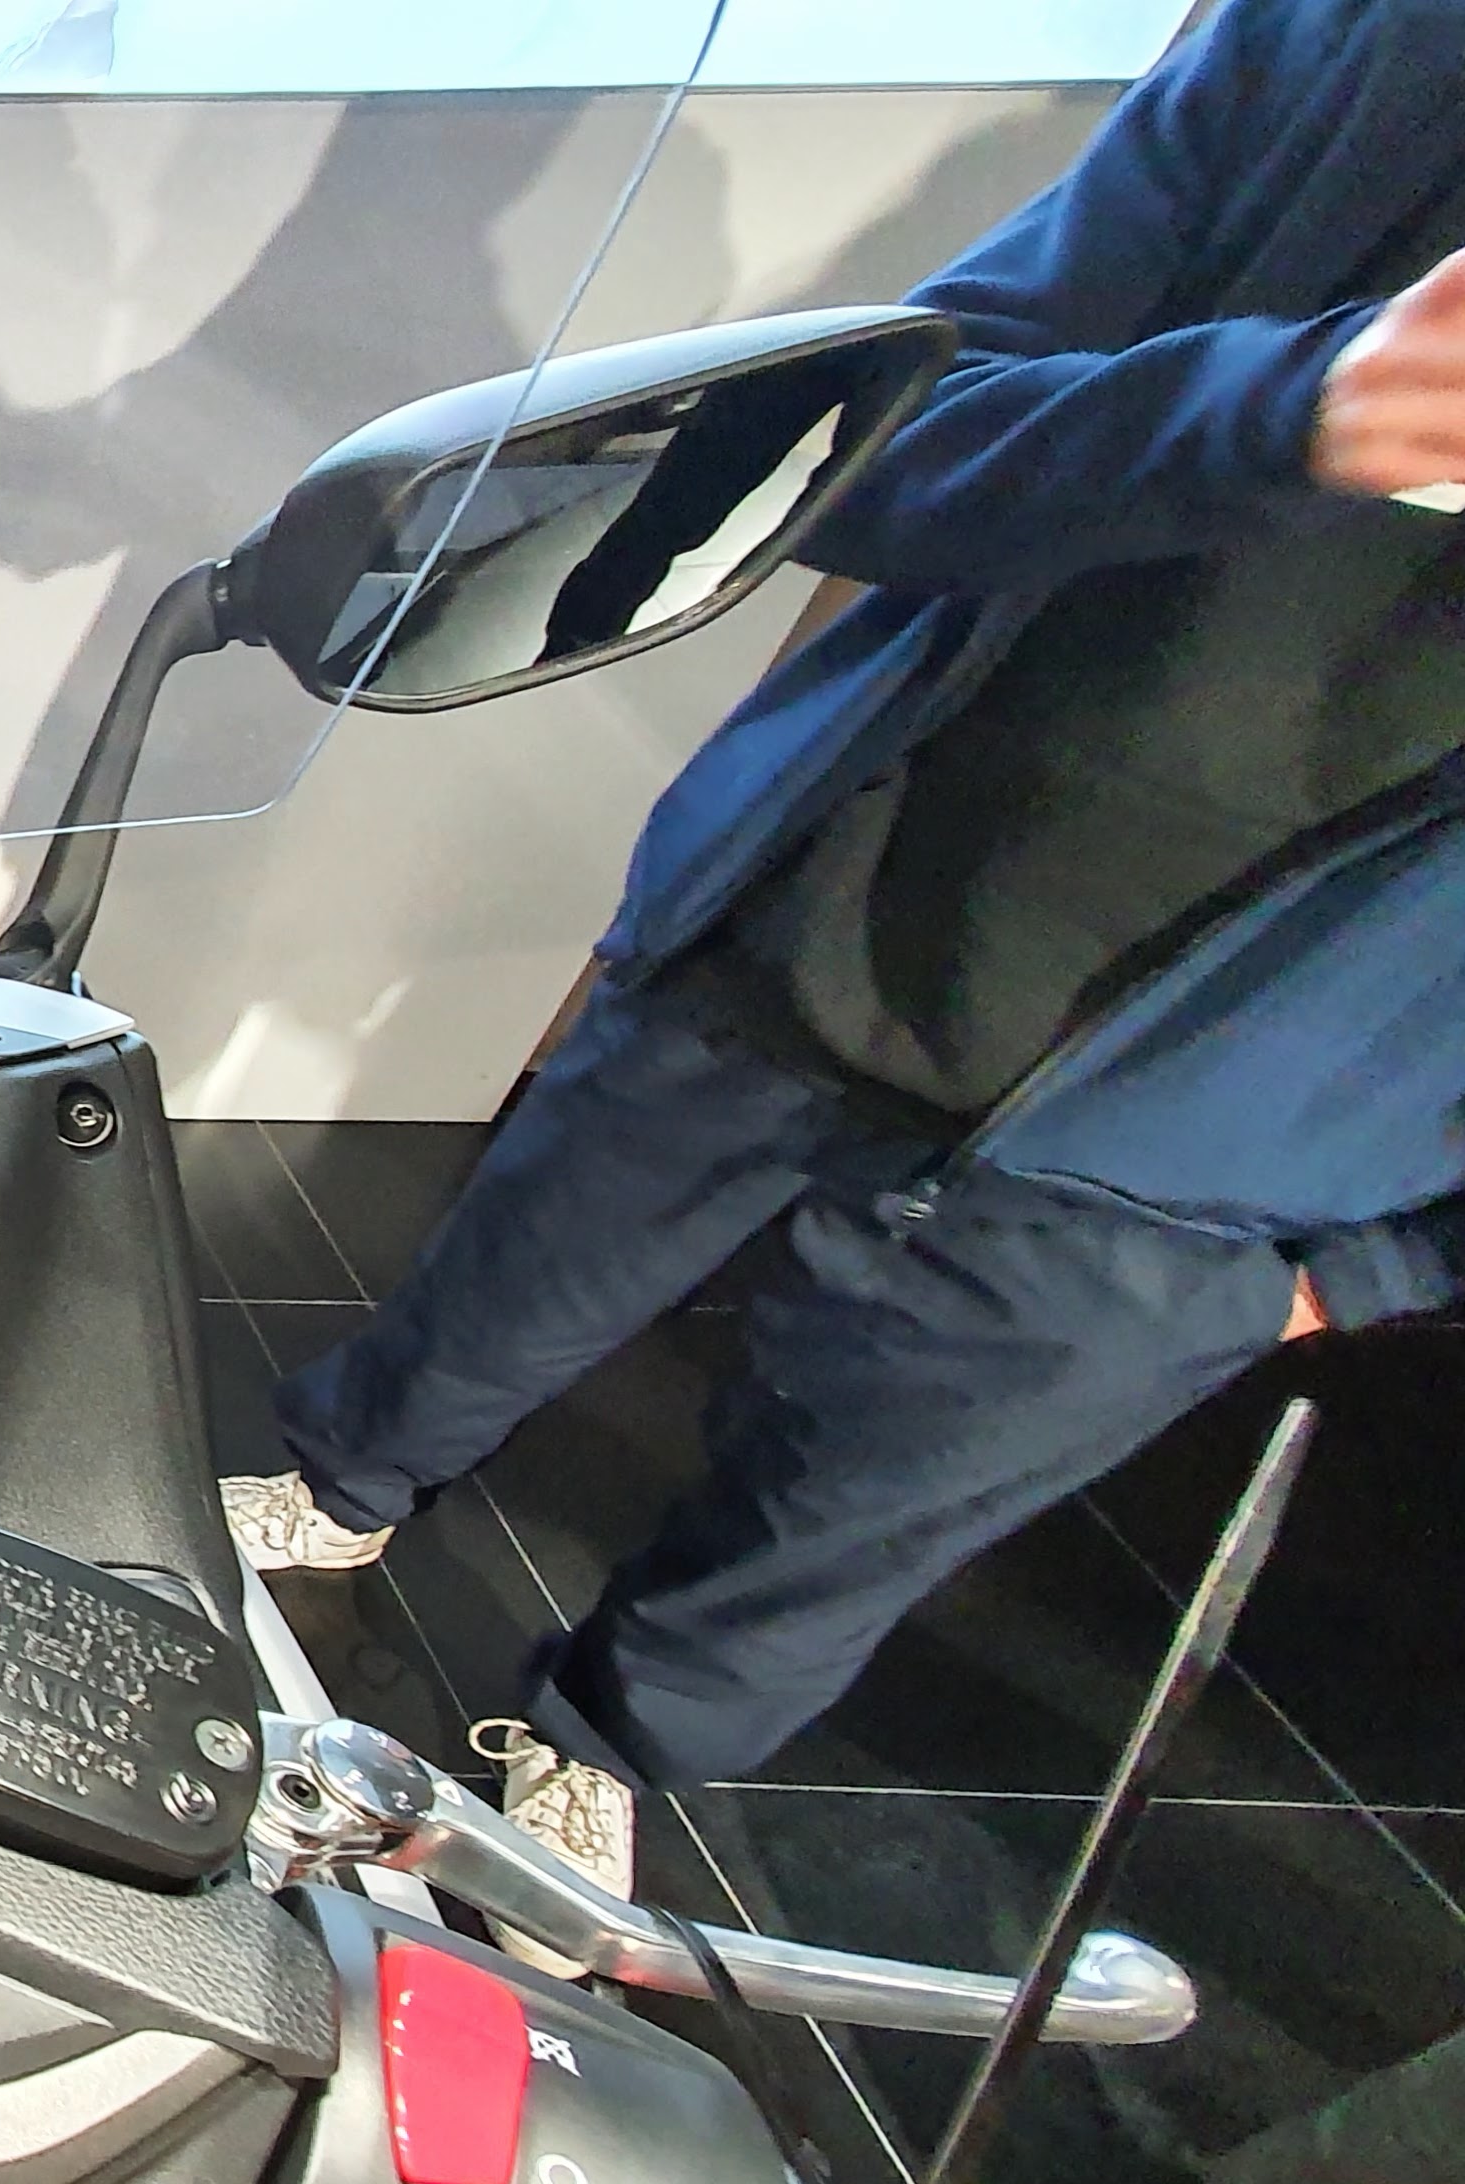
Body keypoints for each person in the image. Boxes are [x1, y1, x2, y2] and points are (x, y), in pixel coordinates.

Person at [217, 0, 1465, 1916]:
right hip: (814, 907)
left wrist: (1377, 1263)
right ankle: (344, 1478)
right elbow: (870, 452)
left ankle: (610, 1738)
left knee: (821, 1542)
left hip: (1202, 1175)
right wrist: (1271, 411)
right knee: (507, 1280)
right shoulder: (1344, 40)